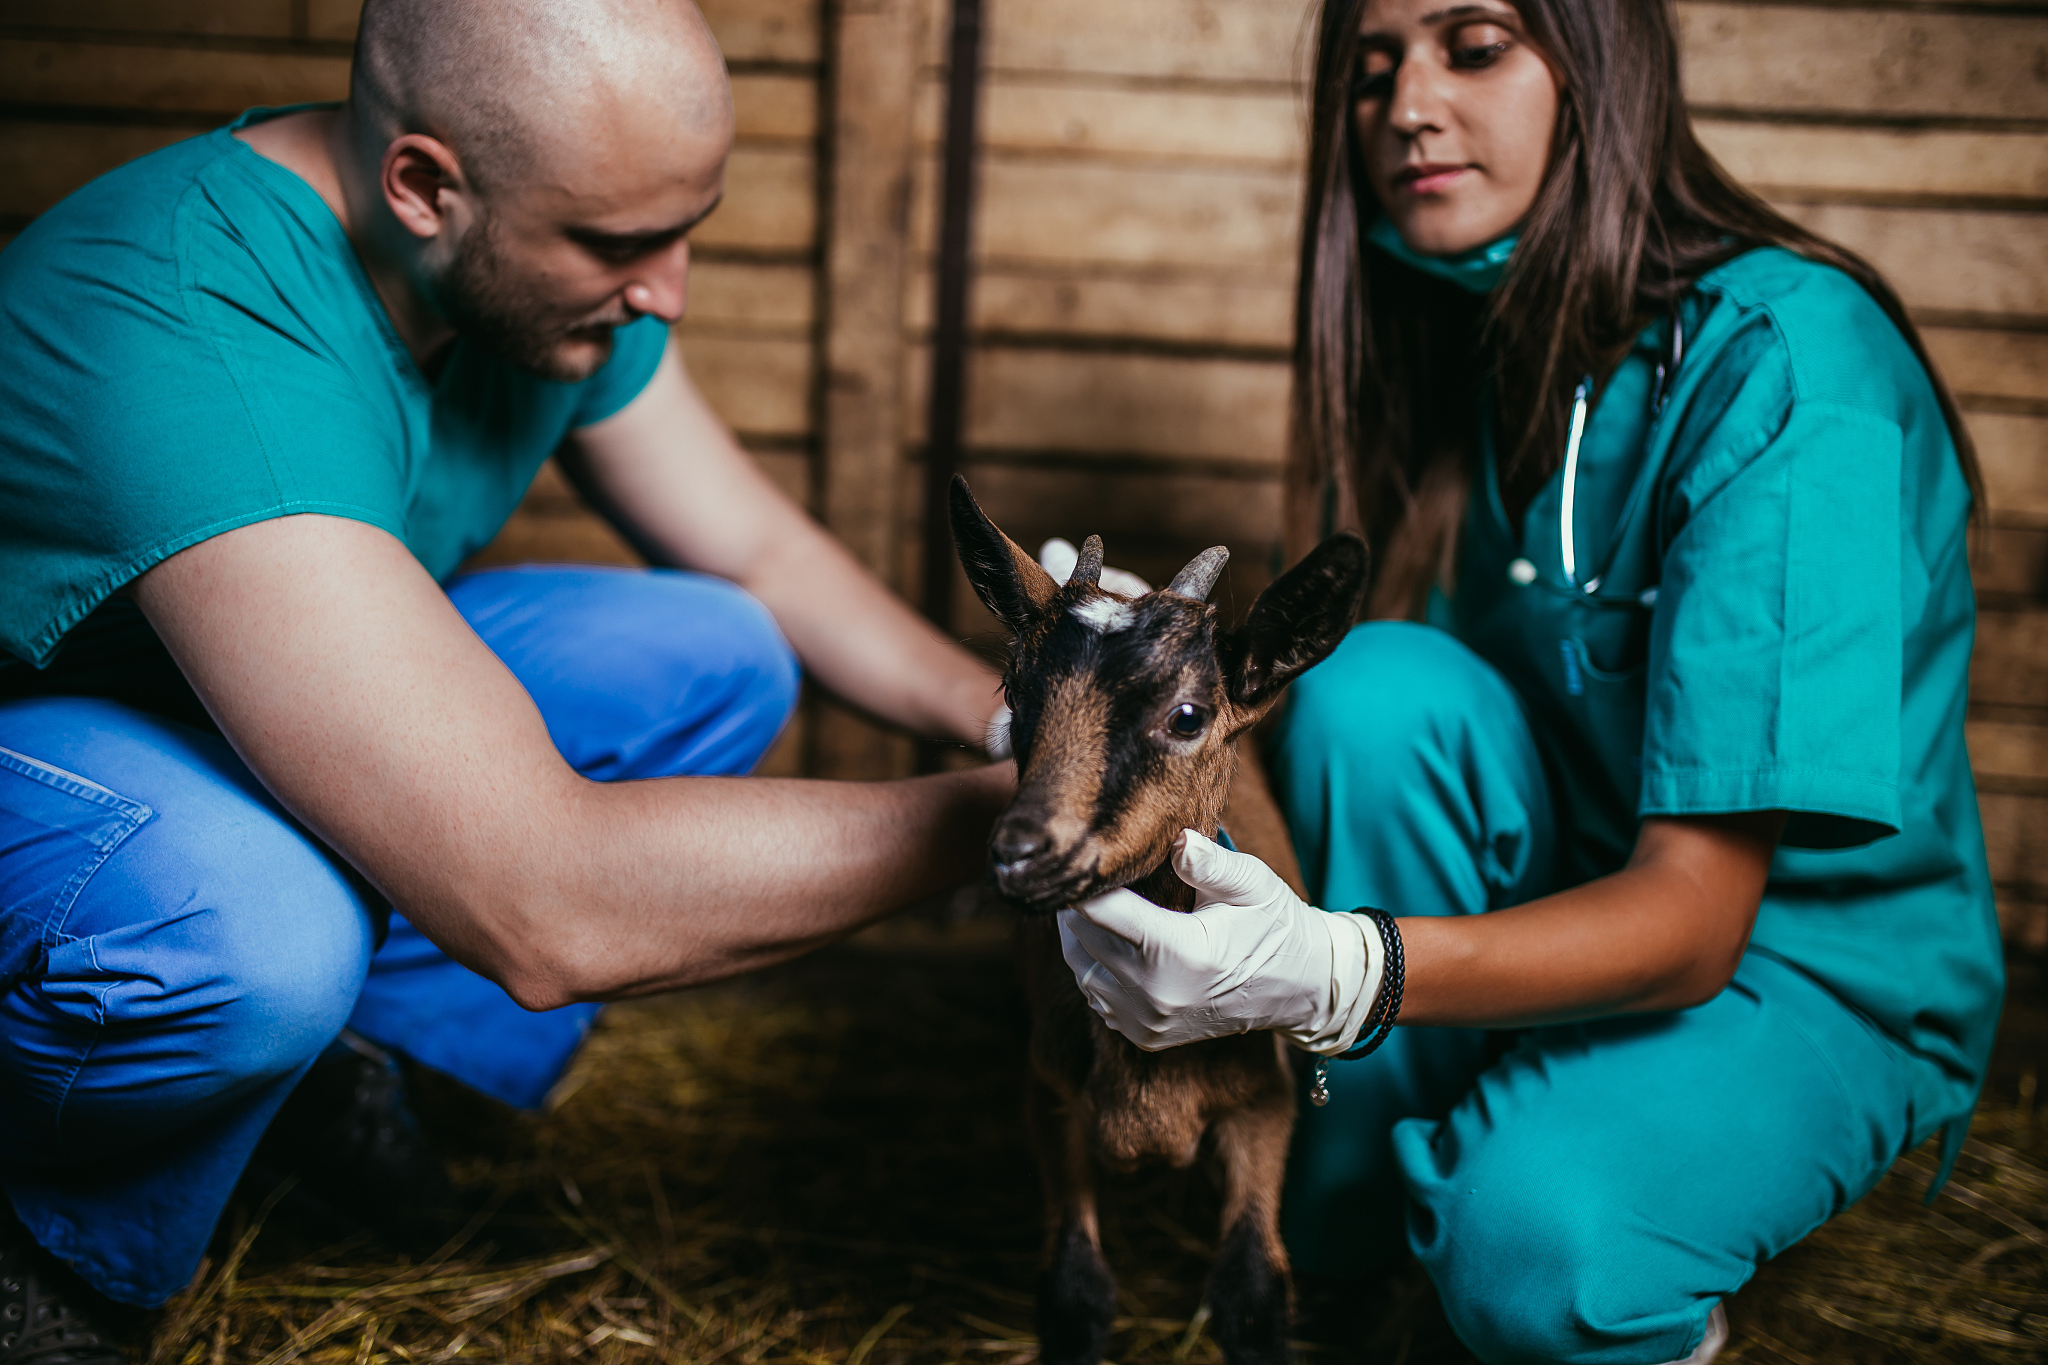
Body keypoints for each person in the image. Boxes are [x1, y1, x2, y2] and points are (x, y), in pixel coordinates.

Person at [0, 0, 1016, 1351]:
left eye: (688, 225)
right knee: (255, 926)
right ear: (424, 185)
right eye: (618, 243)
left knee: (713, 653)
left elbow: (760, 546)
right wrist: (1038, 815)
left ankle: (343, 1080)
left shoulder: (531, 275)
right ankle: (57, 1247)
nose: (669, 292)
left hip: (231, 699)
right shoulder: (189, 318)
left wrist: (1012, 707)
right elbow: (549, 903)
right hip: (48, 747)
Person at [1055, 0, 2004, 1361]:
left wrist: (1335, 968)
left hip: (1793, 960)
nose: (1406, 106)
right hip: (1559, 877)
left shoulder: (1789, 368)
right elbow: (1352, 727)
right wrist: (1104, 711)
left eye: (1476, 44)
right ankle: (1360, 1241)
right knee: (1375, 687)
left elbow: (1697, 919)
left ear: (1599, 69)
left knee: (1534, 1245)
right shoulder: (1460, 339)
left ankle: (1564, 1227)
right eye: (1371, 69)